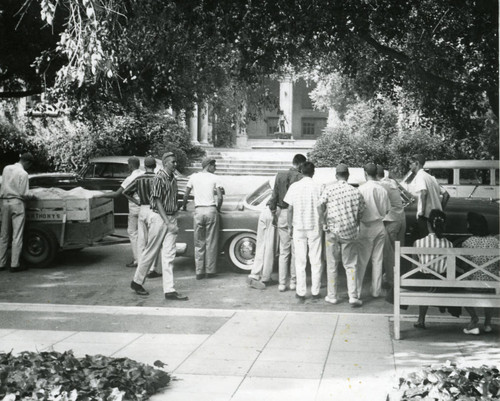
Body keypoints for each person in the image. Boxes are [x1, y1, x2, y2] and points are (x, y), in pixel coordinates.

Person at [130, 152, 188, 301]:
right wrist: (168, 222)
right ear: (165, 163)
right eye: (173, 162)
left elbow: (171, 198)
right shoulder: (159, 178)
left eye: (175, 162)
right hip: (159, 218)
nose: (175, 164)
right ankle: (137, 281)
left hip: (170, 218)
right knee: (151, 251)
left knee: (169, 255)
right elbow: (156, 201)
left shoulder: (172, 178)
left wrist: (175, 214)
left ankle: (169, 290)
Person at [319, 163, 365, 307]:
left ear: (336, 175)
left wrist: (323, 222)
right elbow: (362, 211)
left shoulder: (329, 189)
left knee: (332, 263)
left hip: (332, 231)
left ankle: (332, 296)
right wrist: (355, 222)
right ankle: (353, 296)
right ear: (348, 175)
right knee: (351, 265)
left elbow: (320, 205)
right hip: (349, 233)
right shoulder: (355, 191)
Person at [284, 161, 323, 302]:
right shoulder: (318, 187)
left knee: (300, 261)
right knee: (316, 260)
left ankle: (301, 293)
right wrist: (322, 222)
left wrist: (289, 226)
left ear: (301, 172)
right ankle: (315, 291)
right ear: (313, 172)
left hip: (298, 227)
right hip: (314, 227)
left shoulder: (294, 187)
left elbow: (289, 209)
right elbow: (321, 208)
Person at [269, 153, 306, 292]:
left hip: (282, 213)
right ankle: (293, 282)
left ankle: (282, 283)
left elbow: (274, 197)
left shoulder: (279, 175)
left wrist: (274, 212)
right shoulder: (301, 178)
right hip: (295, 214)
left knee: (284, 251)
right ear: (301, 164)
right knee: (296, 251)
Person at [181, 157, 223, 279]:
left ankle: (199, 271)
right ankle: (210, 270)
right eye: (214, 165)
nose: (215, 168)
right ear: (208, 165)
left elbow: (186, 194)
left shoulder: (194, 177)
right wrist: (218, 208)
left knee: (199, 242)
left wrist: (183, 207)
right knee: (211, 242)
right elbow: (220, 197)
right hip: (211, 210)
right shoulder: (215, 178)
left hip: (198, 210)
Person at [98, 156, 143, 268]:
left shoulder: (130, 178)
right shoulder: (143, 174)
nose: (128, 166)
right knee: (144, 234)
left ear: (131, 165)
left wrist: (101, 195)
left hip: (134, 208)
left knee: (132, 233)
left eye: (128, 164)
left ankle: (137, 259)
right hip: (145, 207)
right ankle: (146, 259)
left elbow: (117, 194)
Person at [413, 209, 454, 329]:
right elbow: (450, 269)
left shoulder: (418, 243)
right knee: (428, 279)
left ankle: (421, 319)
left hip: (424, 284)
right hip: (443, 286)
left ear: (428, 224)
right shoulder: (449, 244)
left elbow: (414, 268)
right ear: (444, 224)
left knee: (422, 278)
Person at [123, 156, 162, 280]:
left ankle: (141, 266)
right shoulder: (158, 179)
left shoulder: (139, 179)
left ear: (144, 166)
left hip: (142, 209)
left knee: (141, 240)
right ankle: (152, 269)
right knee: (154, 240)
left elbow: (125, 192)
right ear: (155, 166)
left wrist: (136, 201)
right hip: (155, 210)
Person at [460, 212, 499, 335]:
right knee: (492, 283)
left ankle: (474, 317)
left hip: (473, 285)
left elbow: (465, 266)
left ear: (471, 225)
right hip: (492, 285)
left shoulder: (467, 243)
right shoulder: (495, 242)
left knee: (459, 287)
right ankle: (487, 323)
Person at [356, 163, 390, 299]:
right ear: (376, 173)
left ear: (365, 173)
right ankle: (376, 290)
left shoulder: (361, 189)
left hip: (365, 226)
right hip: (379, 225)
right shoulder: (382, 190)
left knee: (362, 260)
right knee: (377, 260)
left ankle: (356, 292)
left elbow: (358, 210)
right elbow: (387, 210)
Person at [0, 153, 34, 272]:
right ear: (27, 163)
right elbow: (24, 193)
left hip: (4, 202)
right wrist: (33, 195)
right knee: (17, 235)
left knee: (3, 235)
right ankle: (15, 264)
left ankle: (1, 263)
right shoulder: (23, 174)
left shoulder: (6, 168)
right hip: (17, 203)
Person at [376, 165, 407, 288]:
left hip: (390, 220)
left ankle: (391, 280)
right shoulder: (392, 182)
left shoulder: (381, 185)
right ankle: (397, 276)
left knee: (389, 253)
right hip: (400, 217)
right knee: (399, 251)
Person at [408, 154, 450, 243]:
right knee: (434, 242)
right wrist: (440, 210)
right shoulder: (431, 177)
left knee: (421, 242)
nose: (409, 166)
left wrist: (422, 212)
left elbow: (423, 192)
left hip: (425, 217)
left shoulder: (420, 176)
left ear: (417, 163)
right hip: (436, 217)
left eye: (410, 163)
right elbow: (446, 195)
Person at [246, 202, 276, 290]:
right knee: (269, 247)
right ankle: (262, 277)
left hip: (266, 211)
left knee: (262, 244)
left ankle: (256, 275)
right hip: (273, 212)